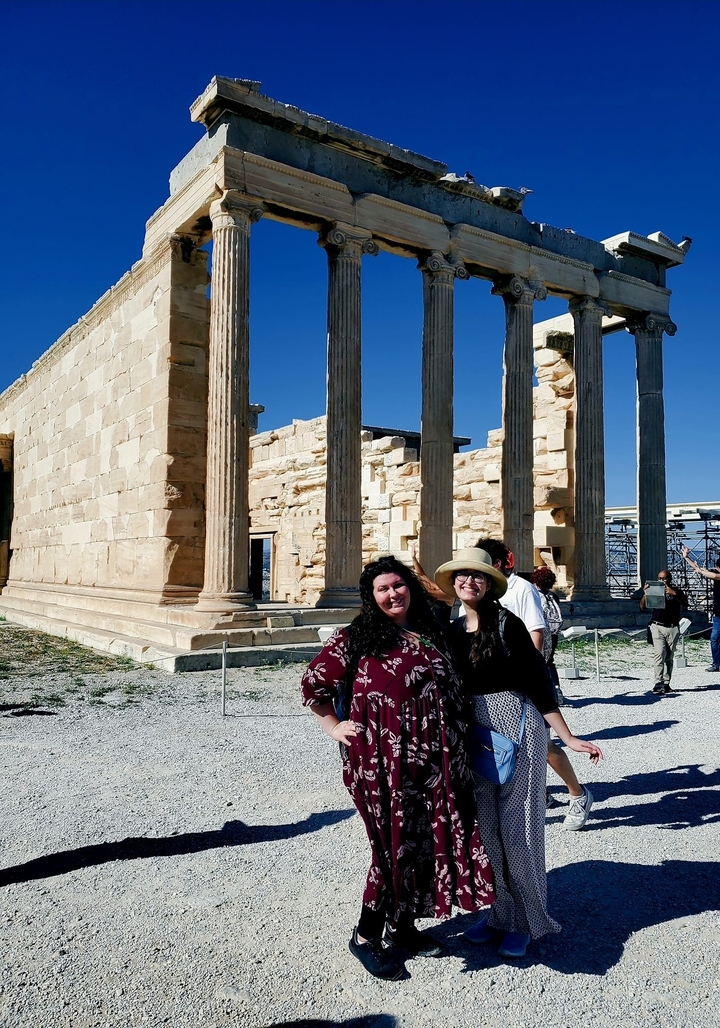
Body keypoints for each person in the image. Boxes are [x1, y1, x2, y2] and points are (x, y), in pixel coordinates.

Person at [300, 556, 494, 981]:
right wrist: (334, 725)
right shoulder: (355, 637)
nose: (392, 594)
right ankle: (366, 935)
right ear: (371, 597)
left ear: (411, 587)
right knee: (391, 847)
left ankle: (404, 928)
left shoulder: (432, 631)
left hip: (439, 760)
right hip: (381, 764)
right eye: (382, 589)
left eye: (398, 585)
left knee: (424, 843)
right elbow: (313, 683)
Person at [435, 547, 603, 959]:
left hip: (517, 723)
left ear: (490, 584)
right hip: (475, 732)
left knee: (519, 830)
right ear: (454, 583)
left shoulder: (508, 625)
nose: (468, 582)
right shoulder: (453, 630)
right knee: (488, 833)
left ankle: (530, 919)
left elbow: (537, 681)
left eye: (477, 576)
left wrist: (567, 736)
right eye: (461, 576)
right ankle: (500, 913)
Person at [476, 538, 595, 831]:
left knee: (543, 744)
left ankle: (578, 793)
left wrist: (528, 676)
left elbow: (536, 633)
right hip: (495, 685)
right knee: (509, 744)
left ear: (502, 562)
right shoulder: (479, 591)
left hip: (523, 680)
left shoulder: (522, 589)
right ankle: (538, 793)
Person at [639, 569, 688, 694]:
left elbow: (685, 603)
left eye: (664, 578)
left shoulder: (677, 591)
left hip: (672, 626)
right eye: (660, 579)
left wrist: (674, 594)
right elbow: (642, 607)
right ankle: (658, 682)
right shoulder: (654, 590)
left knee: (669, 656)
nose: (662, 581)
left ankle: (666, 682)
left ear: (669, 579)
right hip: (657, 625)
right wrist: (646, 594)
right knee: (659, 653)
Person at [681, 546, 720, 671]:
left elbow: (713, 575)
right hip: (718, 615)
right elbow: (698, 569)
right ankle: (716, 663)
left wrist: (700, 571)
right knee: (714, 638)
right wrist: (686, 557)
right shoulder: (715, 574)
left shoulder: (717, 576)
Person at [530, 566, 565, 705]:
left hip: (540, 630)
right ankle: (556, 689)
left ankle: (542, 692)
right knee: (550, 661)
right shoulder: (554, 596)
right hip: (554, 631)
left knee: (537, 661)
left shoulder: (534, 595)